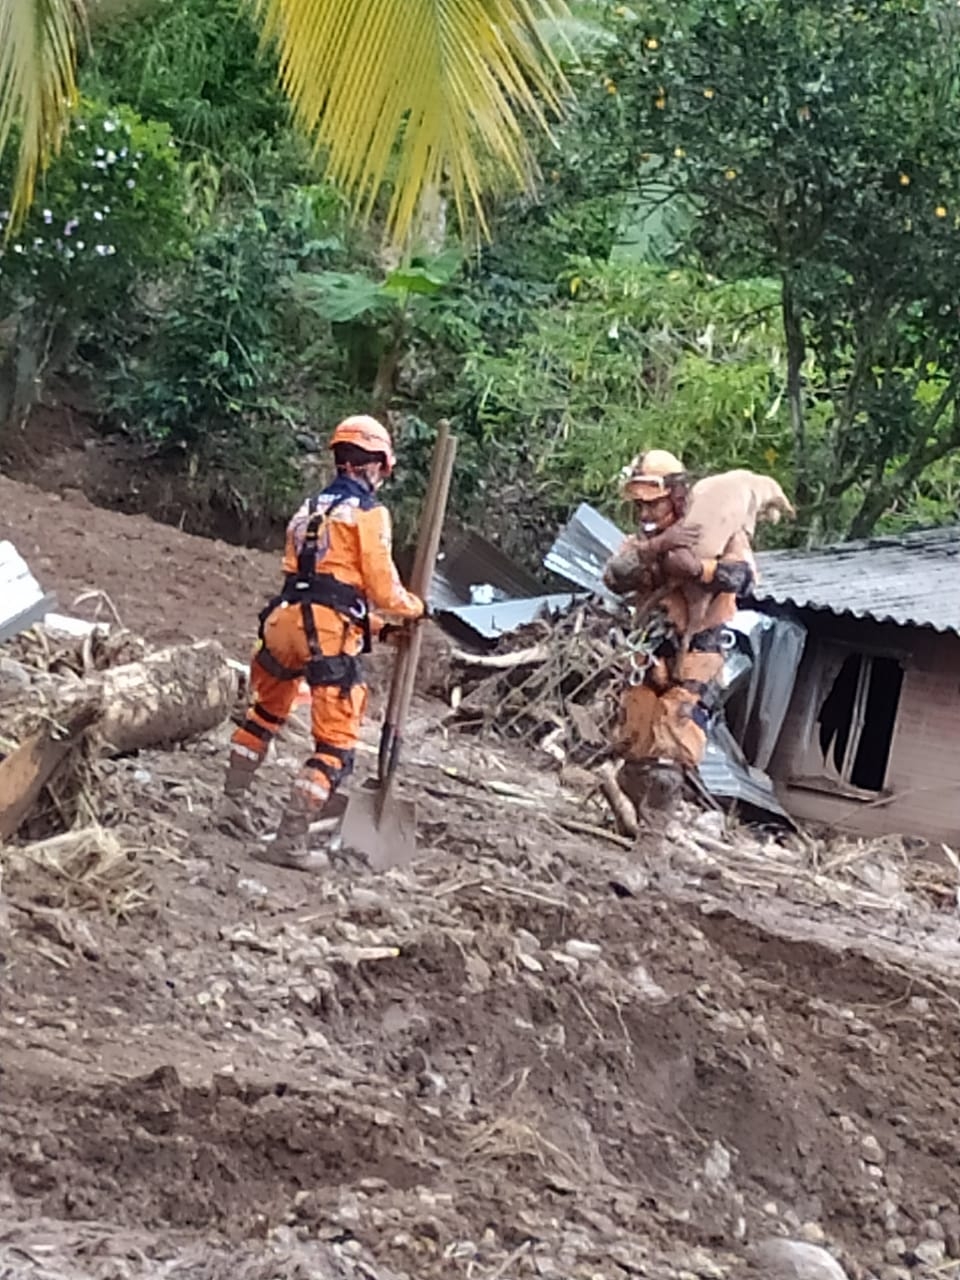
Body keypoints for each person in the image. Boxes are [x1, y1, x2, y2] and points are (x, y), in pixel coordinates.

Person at [220, 414, 425, 868]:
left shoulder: (309, 507)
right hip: (324, 634)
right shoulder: (369, 514)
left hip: (282, 622)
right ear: (375, 465)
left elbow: (320, 587)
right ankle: (290, 841)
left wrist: (379, 630)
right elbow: (379, 586)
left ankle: (230, 803)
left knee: (263, 716)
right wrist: (414, 609)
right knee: (335, 748)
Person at [602, 448, 757, 826]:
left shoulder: (716, 531)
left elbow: (745, 578)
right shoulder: (640, 543)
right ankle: (630, 823)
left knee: (671, 748)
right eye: (639, 506)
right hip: (649, 650)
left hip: (697, 650)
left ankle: (653, 842)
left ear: (674, 495)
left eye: (652, 505)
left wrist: (700, 569)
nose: (644, 514)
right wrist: (656, 550)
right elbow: (614, 576)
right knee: (635, 742)